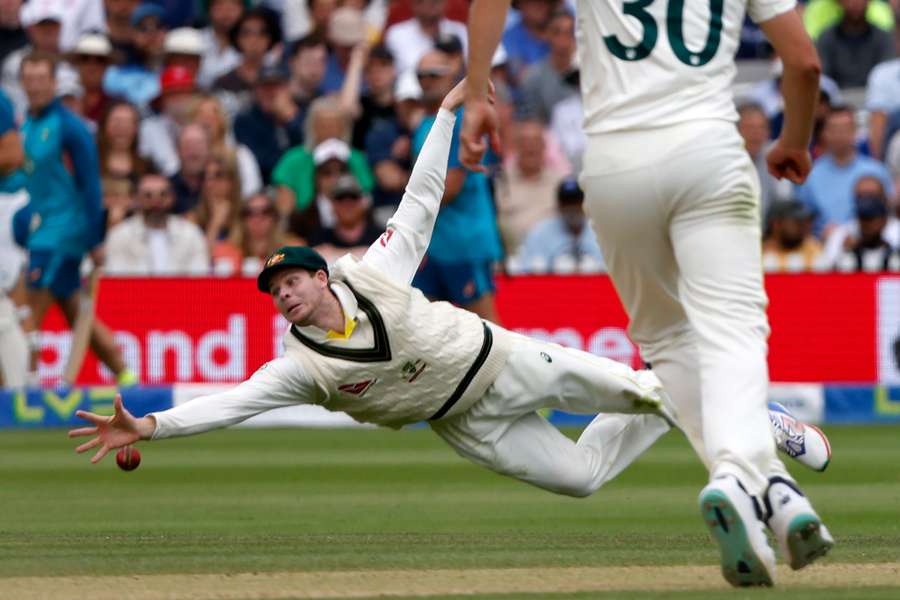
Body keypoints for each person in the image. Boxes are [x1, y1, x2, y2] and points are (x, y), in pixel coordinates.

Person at [70, 80, 830, 509]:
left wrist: (443, 115)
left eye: (294, 281)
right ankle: (678, 387)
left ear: (321, 275)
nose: (287, 297)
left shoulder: (375, 271)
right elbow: (230, 403)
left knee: (640, 393)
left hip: (500, 361)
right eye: (277, 292)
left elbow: (422, 200)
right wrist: (154, 426)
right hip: (463, 422)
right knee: (582, 478)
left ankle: (745, 420)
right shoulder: (298, 366)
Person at [461, 0, 833, 587]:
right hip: (708, 152)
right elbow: (804, 63)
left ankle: (771, 490)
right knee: (732, 332)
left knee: (667, 341)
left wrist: (481, 89)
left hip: (615, 164)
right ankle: (751, 476)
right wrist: (795, 140)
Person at [19, 51, 134, 386]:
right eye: (29, 80)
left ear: (54, 83)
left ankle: (19, 387)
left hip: (61, 233)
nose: (35, 87)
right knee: (76, 312)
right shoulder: (28, 123)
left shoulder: (69, 126)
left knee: (28, 312)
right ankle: (127, 378)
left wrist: (95, 239)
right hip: (42, 229)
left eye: (41, 79)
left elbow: (90, 182)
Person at [412, 50, 502, 323]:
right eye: (421, 76)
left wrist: (409, 212)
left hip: (465, 243)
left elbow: (450, 187)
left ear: (452, 73)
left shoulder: (462, 118)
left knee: (489, 331)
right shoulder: (425, 124)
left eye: (433, 74)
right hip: (437, 244)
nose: (426, 81)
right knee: (421, 329)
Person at [797, 105, 893, 237]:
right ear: (824, 133)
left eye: (845, 129)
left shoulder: (877, 171)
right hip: (824, 247)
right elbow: (803, 221)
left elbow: (889, 213)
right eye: (835, 129)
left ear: (855, 131)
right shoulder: (810, 176)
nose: (840, 135)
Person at [105, 170, 210, 275]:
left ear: (172, 197)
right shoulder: (120, 235)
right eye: (148, 195)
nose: (156, 201)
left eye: (163, 194)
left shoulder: (190, 234)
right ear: (136, 198)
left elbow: (200, 279)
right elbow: (116, 280)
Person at [516, 179, 605, 273]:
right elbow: (528, 271)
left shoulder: (601, 230)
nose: (573, 208)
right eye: (567, 203)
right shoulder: (540, 233)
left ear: (586, 204)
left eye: (577, 202)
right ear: (558, 206)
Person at [816, 0, 894, 89]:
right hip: (837, 99)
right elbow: (824, 79)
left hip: (875, 98)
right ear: (838, 2)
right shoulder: (826, 39)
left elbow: (887, 76)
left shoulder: (883, 38)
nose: (855, 2)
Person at [761, 201, 823, 272]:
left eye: (806, 221)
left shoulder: (812, 247)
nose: (804, 226)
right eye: (797, 222)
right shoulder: (760, 254)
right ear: (776, 224)